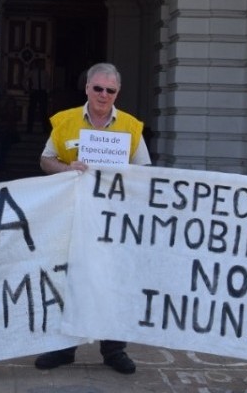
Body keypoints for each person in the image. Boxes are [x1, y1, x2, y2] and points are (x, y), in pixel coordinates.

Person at [33, 62, 150, 375]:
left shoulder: (130, 126)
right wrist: (66, 169)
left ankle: (113, 350)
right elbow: (45, 160)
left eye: (110, 90)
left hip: (113, 220)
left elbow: (144, 173)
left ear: (117, 93)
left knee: (113, 282)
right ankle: (63, 348)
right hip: (72, 214)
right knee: (67, 279)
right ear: (86, 88)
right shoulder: (66, 121)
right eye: (97, 88)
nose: (103, 95)